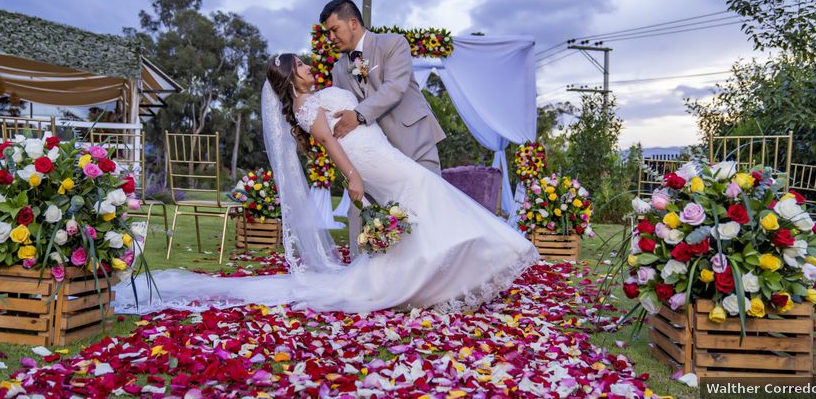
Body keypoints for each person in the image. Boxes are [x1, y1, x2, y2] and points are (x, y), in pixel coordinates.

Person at [113, 55, 538, 315]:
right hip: (367, 159)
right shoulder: (305, 105)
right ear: (289, 75)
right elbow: (331, 142)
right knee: (423, 189)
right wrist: (352, 176)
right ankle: (463, 261)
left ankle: (434, 272)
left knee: (420, 198)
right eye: (298, 64)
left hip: (378, 151)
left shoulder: (315, 94)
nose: (306, 66)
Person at [320, 0, 445, 256]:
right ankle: (363, 274)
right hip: (376, 154)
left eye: (334, 30)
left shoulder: (393, 43)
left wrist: (358, 114)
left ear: (353, 23)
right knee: (362, 211)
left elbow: (395, 87)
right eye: (327, 33)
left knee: (430, 211)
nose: (331, 37)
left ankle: (437, 276)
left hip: (415, 142)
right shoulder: (338, 69)